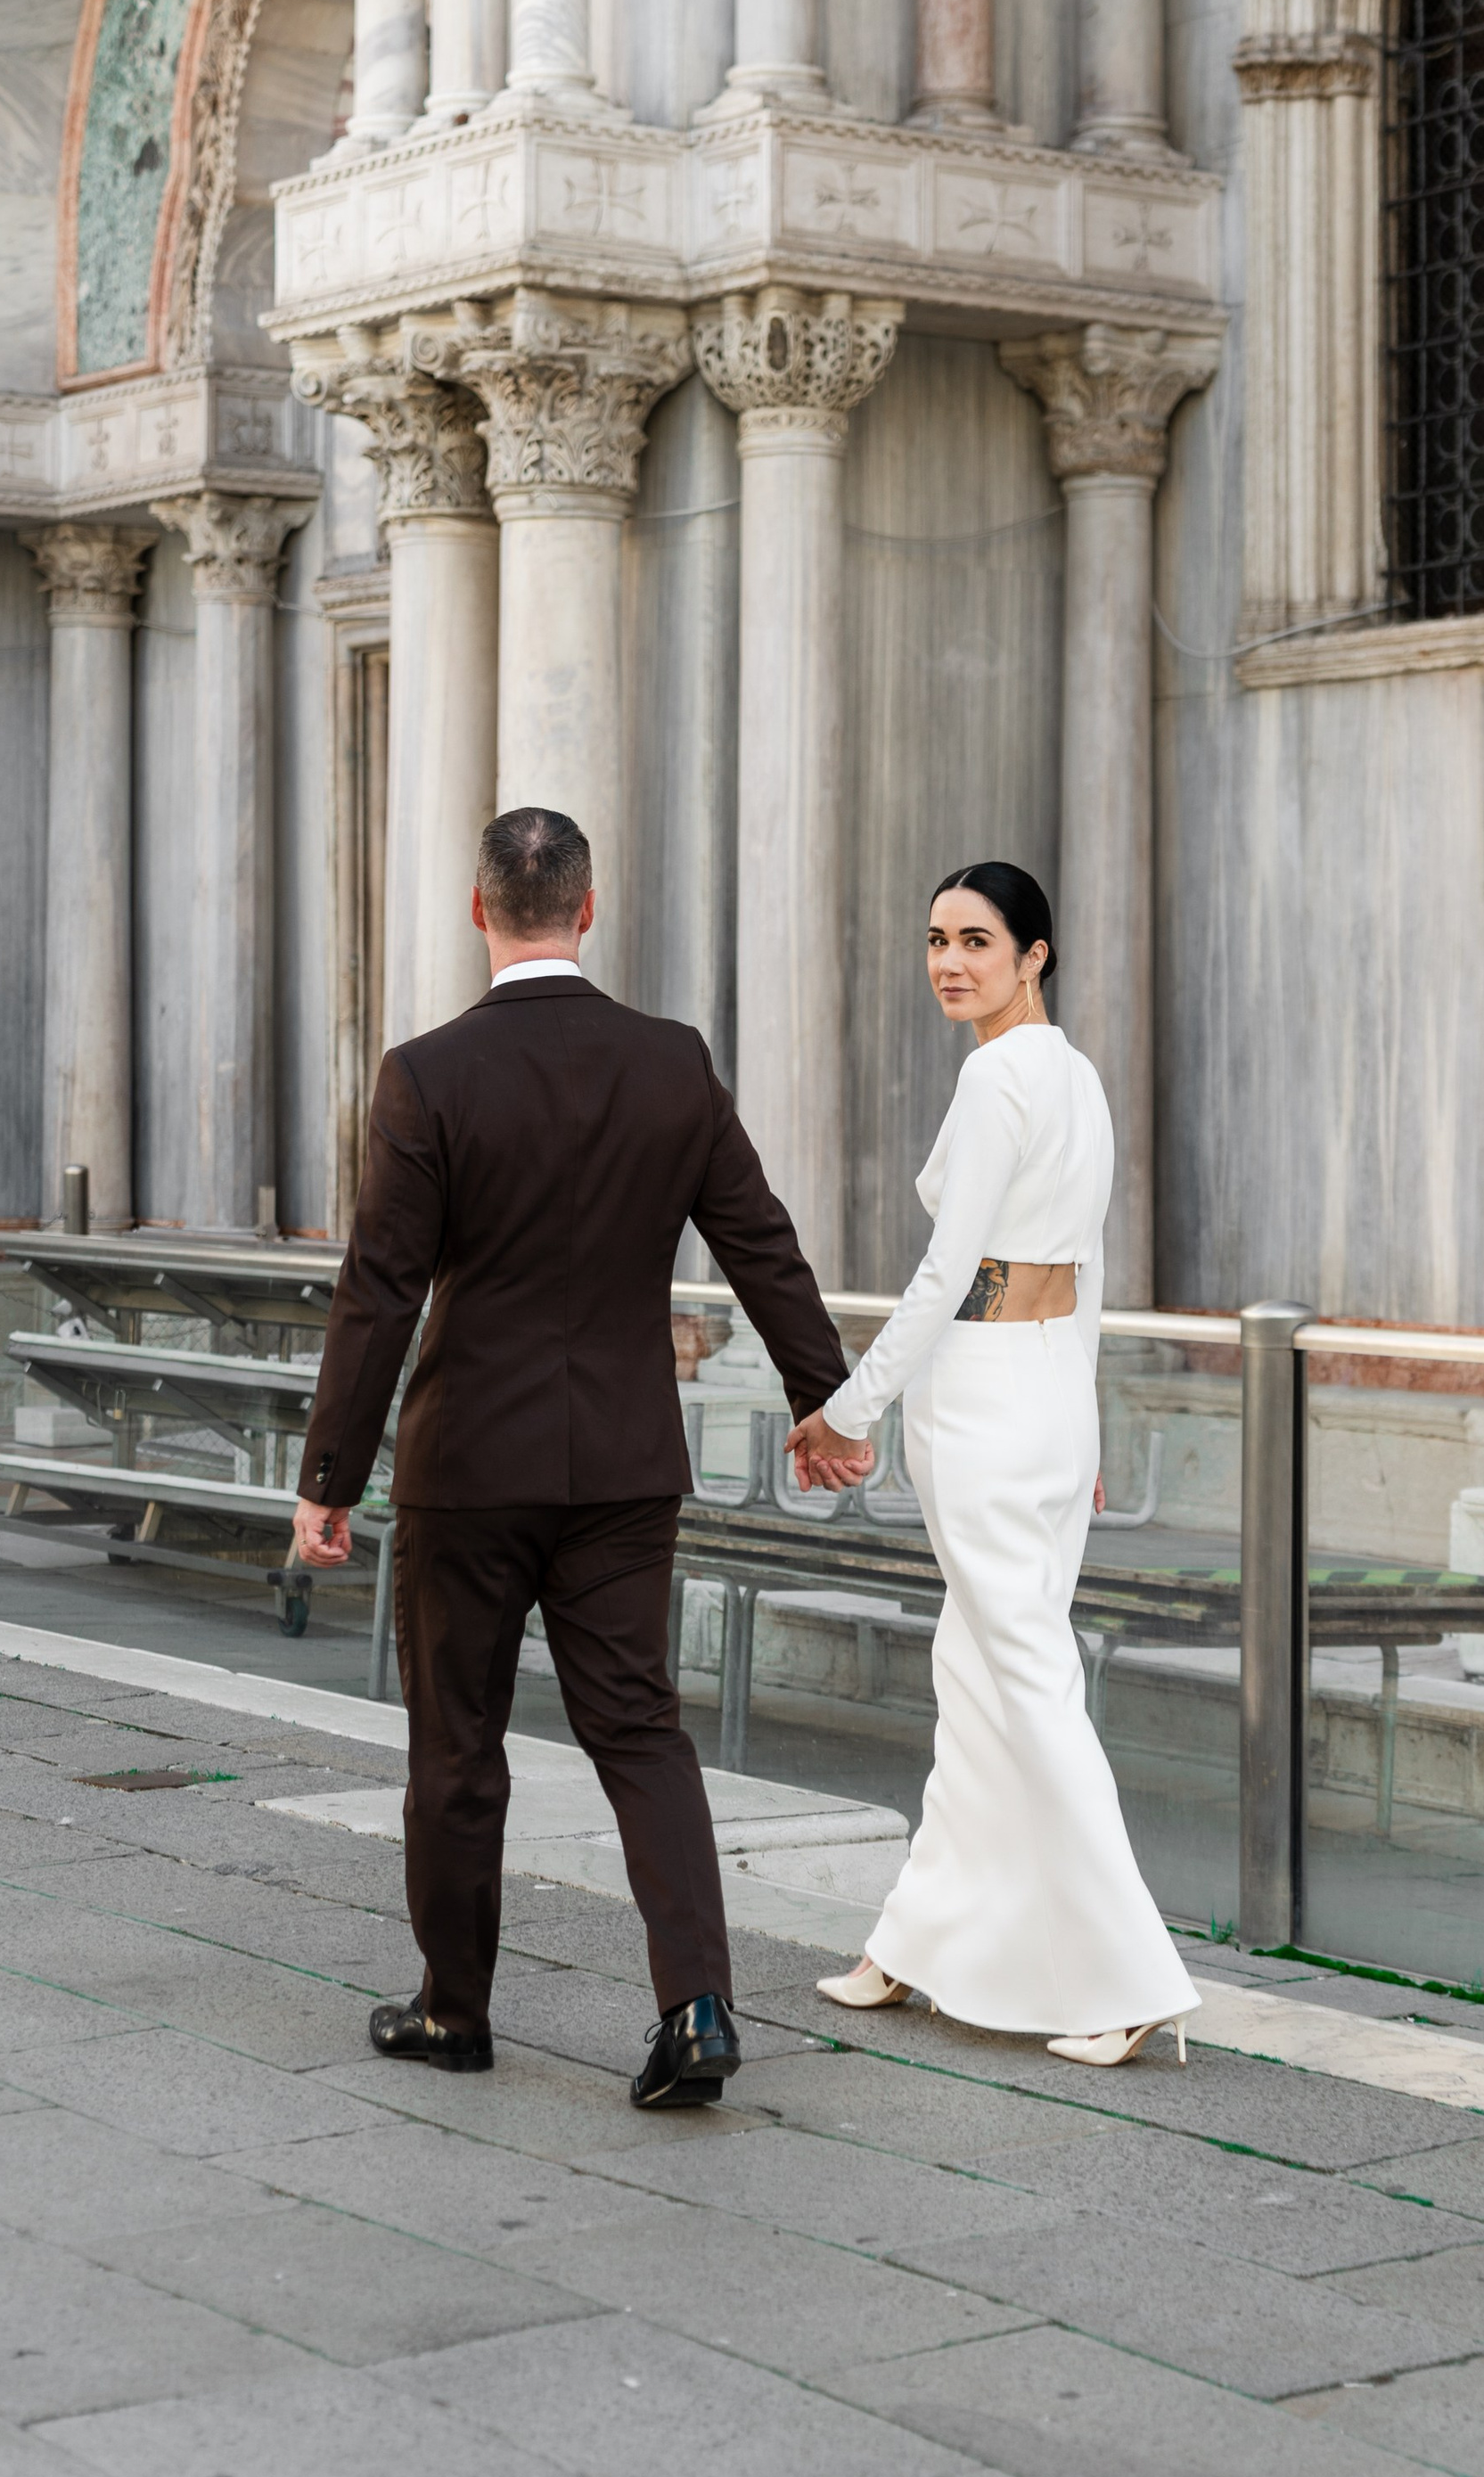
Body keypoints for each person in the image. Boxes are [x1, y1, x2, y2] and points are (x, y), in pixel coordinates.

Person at [291, 806, 862, 2105]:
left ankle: (454, 2012)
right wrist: (823, 1401)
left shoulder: (427, 1074)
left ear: (479, 910)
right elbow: (760, 1240)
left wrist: (330, 1480)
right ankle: (697, 2008)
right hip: (621, 1462)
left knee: (457, 1744)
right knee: (642, 1732)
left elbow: (379, 1293)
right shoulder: (671, 1062)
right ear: (588, 910)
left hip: (468, 1465)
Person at [787, 864, 1201, 2069]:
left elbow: (945, 1273)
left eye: (977, 940)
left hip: (986, 1404)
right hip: (1044, 1400)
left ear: (1035, 954)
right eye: (936, 939)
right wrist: (1084, 1427)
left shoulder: (999, 1075)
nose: (949, 962)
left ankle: (1130, 1978)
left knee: (1020, 1678)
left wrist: (847, 1409)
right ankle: (911, 1942)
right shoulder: (1076, 1076)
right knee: (976, 1671)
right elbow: (1088, 1267)